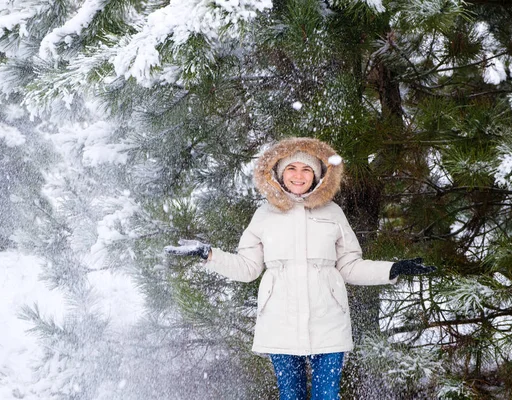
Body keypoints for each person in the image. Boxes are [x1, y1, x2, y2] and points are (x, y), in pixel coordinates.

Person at [164, 137, 436, 399]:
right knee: (290, 395)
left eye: (307, 169)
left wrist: (392, 269)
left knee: (326, 395)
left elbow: (350, 266)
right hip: (279, 321)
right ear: (280, 175)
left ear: (317, 176)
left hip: (328, 321)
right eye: (291, 168)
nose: (298, 175)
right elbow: (247, 268)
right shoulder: (264, 215)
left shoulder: (333, 213)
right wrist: (209, 255)